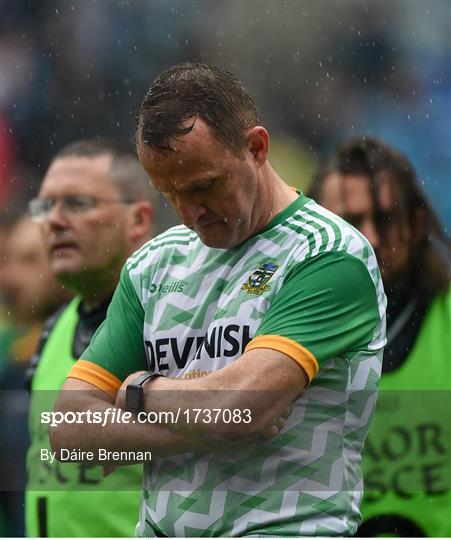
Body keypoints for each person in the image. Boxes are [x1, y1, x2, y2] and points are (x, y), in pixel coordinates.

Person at [51, 63, 386, 537]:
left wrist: (141, 392)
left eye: (203, 186)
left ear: (257, 148)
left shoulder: (329, 253)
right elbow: (68, 430)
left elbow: (244, 406)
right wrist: (208, 417)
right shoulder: (153, 265)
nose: (189, 213)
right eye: (169, 194)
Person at [310, 136, 450, 537]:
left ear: (418, 223)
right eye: (351, 222)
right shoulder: (280, 335)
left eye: (385, 218)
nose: (369, 238)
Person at [25, 140, 156, 537]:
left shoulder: (170, 325)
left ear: (137, 220)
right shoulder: (54, 328)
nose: (55, 221)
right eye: (45, 207)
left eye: (77, 203)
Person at [0, 213, 71, 537]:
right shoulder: (6, 353)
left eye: (29, 260)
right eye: (7, 260)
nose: (9, 278)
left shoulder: (107, 352)